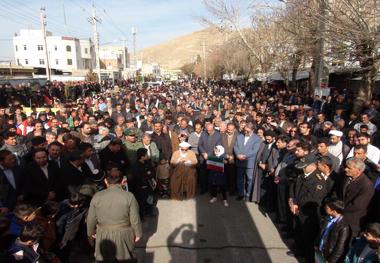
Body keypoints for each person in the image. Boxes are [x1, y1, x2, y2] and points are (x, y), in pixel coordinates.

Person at [87, 163, 142, 262]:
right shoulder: (129, 196)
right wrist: (138, 233)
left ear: (105, 181)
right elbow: (135, 218)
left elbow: (91, 218)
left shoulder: (97, 196)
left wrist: (90, 233)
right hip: (124, 233)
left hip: (103, 234)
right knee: (125, 259)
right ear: (122, 181)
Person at [288, 154, 330, 262]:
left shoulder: (318, 180)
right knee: (298, 231)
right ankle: (299, 250)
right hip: (297, 209)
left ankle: (307, 257)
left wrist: (297, 204)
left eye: (305, 166)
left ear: (313, 165)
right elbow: (294, 188)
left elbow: (313, 197)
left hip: (308, 213)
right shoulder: (302, 175)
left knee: (308, 236)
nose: (303, 168)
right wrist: (292, 200)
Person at [342, 158, 375, 238]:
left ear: (358, 170)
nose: (346, 169)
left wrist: (339, 209)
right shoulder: (346, 177)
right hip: (340, 217)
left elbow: (357, 205)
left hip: (351, 221)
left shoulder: (366, 185)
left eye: (349, 168)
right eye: (346, 167)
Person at [315, 198, 351, 263]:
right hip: (320, 252)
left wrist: (330, 261)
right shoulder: (327, 218)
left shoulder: (344, 227)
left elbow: (339, 248)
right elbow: (321, 233)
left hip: (329, 257)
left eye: (327, 208)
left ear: (334, 211)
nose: (324, 208)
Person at [234, 122, 262, 201]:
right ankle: (241, 194)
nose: (245, 132)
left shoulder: (257, 139)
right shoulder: (240, 136)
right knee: (240, 179)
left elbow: (254, 150)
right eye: (245, 130)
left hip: (249, 162)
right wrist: (238, 155)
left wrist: (244, 156)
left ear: (252, 130)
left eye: (248, 131)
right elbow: (235, 147)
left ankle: (248, 194)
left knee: (249, 179)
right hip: (239, 160)